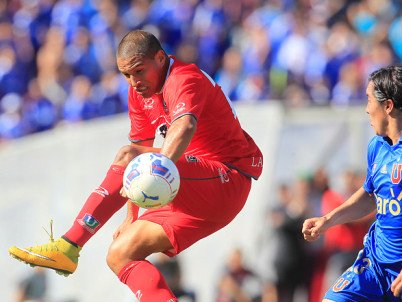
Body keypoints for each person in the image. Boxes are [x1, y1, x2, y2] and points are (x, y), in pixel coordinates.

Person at [9, 30, 263, 302]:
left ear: (160, 57)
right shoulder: (138, 91)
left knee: (128, 155)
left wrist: (159, 169)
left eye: (139, 71)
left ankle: (69, 244)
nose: (134, 81)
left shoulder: (184, 77)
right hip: (190, 185)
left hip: (225, 177)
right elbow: (139, 152)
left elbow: (184, 126)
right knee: (120, 254)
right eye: (126, 75)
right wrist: (131, 215)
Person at [302, 65, 402, 301]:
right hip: (374, 265)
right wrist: (328, 220)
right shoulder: (377, 146)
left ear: (387, 106)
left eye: (369, 100)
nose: (366, 110)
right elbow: (370, 195)